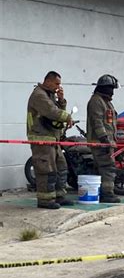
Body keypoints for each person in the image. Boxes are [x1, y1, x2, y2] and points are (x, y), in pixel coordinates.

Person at [27, 71, 74, 209]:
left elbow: (57, 111)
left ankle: (59, 196)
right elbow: (51, 111)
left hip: (52, 138)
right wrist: (67, 117)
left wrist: (61, 100)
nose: (59, 86)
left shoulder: (50, 95)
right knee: (46, 169)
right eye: (57, 83)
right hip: (41, 138)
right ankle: (45, 200)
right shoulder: (39, 95)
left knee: (61, 167)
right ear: (48, 81)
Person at [87, 74, 121, 203]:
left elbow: (110, 123)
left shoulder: (106, 102)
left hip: (107, 142)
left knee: (104, 168)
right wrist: (105, 140)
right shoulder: (96, 101)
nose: (112, 92)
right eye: (111, 88)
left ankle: (102, 192)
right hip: (100, 143)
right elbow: (98, 123)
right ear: (104, 88)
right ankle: (107, 194)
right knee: (108, 167)